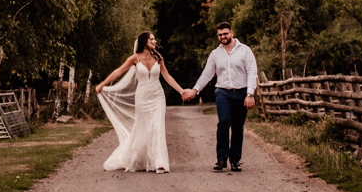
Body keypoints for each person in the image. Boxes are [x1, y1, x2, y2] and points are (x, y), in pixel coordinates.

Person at [95, 31, 186, 173]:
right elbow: (118, 72)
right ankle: (138, 159)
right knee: (143, 127)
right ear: (144, 42)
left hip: (158, 96)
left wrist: (181, 91)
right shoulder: (134, 59)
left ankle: (159, 162)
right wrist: (102, 85)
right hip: (142, 98)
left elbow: (167, 76)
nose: (155, 41)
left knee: (157, 127)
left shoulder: (158, 58)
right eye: (152, 39)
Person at [182, 21, 257, 172]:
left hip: (241, 92)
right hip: (223, 92)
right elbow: (207, 74)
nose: (223, 37)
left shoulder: (245, 51)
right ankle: (221, 159)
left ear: (232, 33)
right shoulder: (215, 54)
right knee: (223, 122)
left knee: (238, 127)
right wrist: (195, 90)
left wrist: (250, 94)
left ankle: (235, 160)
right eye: (220, 35)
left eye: (225, 34)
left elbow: (252, 73)